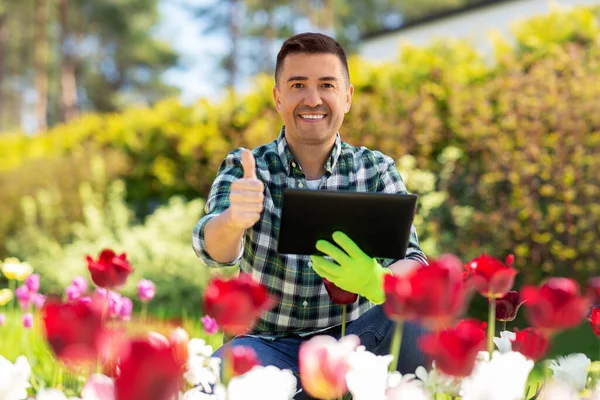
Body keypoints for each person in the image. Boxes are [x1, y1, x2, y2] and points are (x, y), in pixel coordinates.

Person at [192, 32, 428, 397]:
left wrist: (378, 280)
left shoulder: (376, 170)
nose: (313, 99)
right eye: (298, 84)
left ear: (346, 97)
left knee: (413, 322)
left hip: (354, 341)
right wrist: (234, 221)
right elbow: (213, 249)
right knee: (210, 384)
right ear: (278, 97)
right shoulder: (248, 167)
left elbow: (414, 263)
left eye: (327, 85)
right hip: (266, 346)